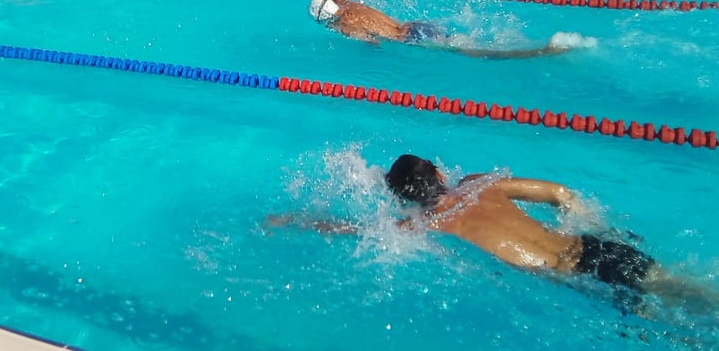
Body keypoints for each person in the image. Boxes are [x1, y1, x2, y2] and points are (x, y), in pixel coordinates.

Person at [270, 155, 719, 314]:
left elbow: (353, 229)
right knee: (695, 293)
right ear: (441, 172)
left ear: (403, 201)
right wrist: (588, 225)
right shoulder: (481, 183)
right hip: (596, 248)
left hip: (579, 283)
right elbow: (561, 193)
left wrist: (293, 219)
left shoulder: (422, 225)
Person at [271, 0, 576, 58]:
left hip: (412, 40)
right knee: (465, 39)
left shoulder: (343, 25)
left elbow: (373, 43)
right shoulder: (346, 3)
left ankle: (539, 51)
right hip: (417, 25)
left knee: (474, 51)